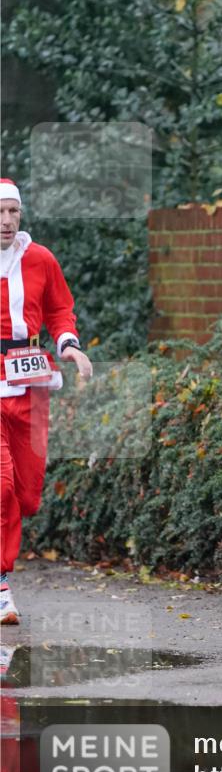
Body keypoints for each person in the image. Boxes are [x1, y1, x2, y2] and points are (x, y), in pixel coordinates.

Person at [0, 179, 93, 624]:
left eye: (13, 212)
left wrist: (70, 345)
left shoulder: (40, 258)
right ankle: (0, 584)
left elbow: (59, 309)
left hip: (32, 383)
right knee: (0, 486)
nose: (6, 220)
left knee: (27, 492)